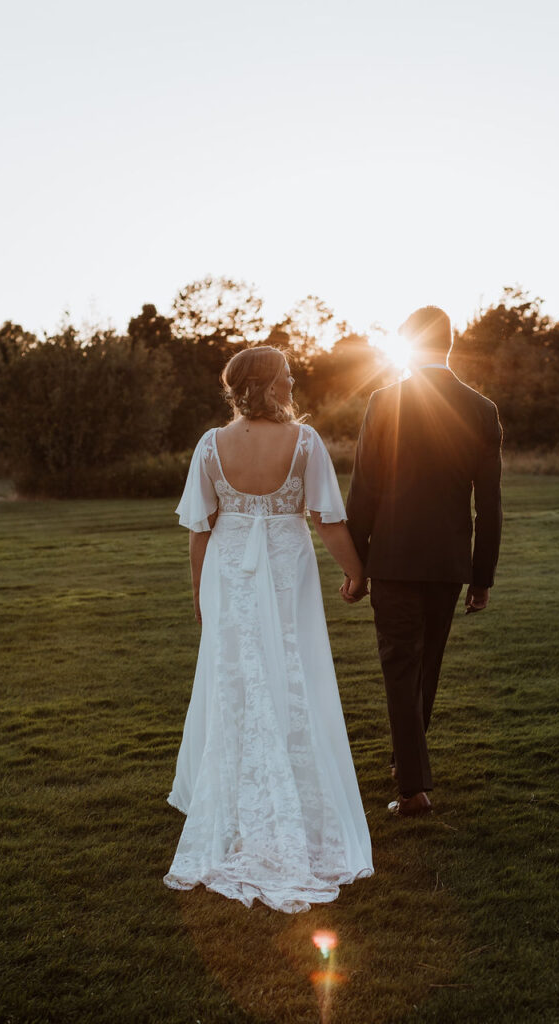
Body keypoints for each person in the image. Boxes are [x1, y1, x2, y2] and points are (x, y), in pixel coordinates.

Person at [164, 346, 373, 912]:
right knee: (291, 670)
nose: (293, 381)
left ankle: (238, 804)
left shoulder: (211, 444)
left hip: (231, 567)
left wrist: (199, 592)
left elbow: (200, 529)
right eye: (286, 375)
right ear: (267, 384)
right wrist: (357, 572)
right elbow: (328, 519)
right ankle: (286, 798)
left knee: (237, 676)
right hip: (284, 562)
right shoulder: (305, 443)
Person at [344, 306, 503, 818]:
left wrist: (356, 565)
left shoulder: (383, 402)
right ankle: (406, 765)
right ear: (451, 345)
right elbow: (490, 503)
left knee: (400, 668)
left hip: (392, 559)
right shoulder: (482, 408)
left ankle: (412, 788)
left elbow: (364, 491)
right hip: (447, 564)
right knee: (424, 666)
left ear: (406, 343)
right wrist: (481, 579)